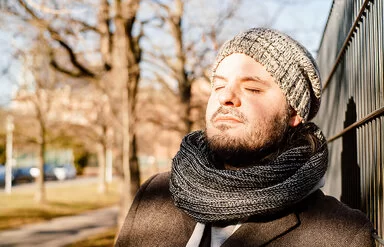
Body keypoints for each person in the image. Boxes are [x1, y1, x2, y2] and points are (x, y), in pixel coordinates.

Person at [115, 28, 375, 247]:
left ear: (294, 112)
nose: (225, 97)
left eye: (252, 88)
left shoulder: (342, 235)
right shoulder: (155, 194)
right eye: (218, 86)